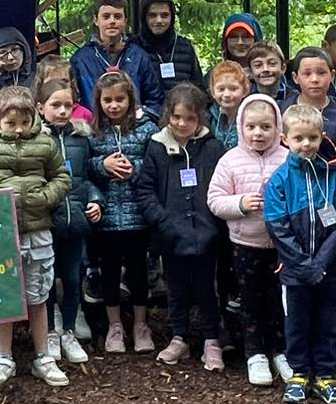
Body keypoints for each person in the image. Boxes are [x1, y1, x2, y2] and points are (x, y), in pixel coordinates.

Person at [0, 85, 72, 388]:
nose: (19, 129)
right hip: (0, 233)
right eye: (11, 123)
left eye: (24, 122)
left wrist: (44, 197)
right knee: (3, 294)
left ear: (33, 117)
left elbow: (62, 177)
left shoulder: (45, 142)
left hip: (38, 230)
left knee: (38, 296)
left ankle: (43, 357)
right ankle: (4, 357)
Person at [264, 104, 336, 404]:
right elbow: (277, 225)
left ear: (322, 137)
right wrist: (303, 264)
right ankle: (299, 374)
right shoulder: (279, 180)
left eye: (312, 138)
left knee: (328, 321)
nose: (306, 144)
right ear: (285, 138)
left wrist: (322, 264)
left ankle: (326, 376)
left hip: (331, 269)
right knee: (297, 322)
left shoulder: (335, 176)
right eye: (299, 138)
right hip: (294, 270)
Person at [134, 84, 226, 370]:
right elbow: (145, 189)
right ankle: (179, 337)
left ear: (200, 118)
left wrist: (212, 224)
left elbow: (223, 184)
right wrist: (162, 220)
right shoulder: (157, 145)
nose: (182, 124)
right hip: (170, 235)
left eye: (189, 118)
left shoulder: (212, 146)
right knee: (175, 288)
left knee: (206, 288)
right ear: (168, 116)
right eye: (176, 117)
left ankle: (212, 340)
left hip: (206, 235)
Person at [207, 94, 290, 387]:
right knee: (251, 301)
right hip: (246, 245)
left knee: (281, 300)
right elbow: (215, 200)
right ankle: (255, 354)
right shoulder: (230, 160)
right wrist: (241, 203)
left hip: (284, 246)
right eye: (252, 127)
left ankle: (282, 351)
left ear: (278, 128)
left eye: (266, 127)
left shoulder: (288, 158)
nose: (258, 133)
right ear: (241, 127)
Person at [87, 70, 158, 354]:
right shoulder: (92, 132)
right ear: (99, 102)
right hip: (105, 218)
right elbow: (84, 171)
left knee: (139, 272)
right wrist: (101, 166)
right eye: (108, 100)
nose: (114, 106)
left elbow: (155, 167)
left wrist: (135, 170)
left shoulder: (146, 130)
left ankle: (141, 325)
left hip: (137, 216)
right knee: (109, 273)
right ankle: (114, 326)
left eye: (120, 99)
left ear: (130, 100)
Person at [38, 78, 103, 363]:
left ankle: (68, 333)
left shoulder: (81, 138)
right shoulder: (36, 141)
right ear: (41, 108)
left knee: (73, 277)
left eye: (68, 105)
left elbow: (88, 176)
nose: (63, 111)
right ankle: (50, 332)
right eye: (56, 105)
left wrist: (96, 200)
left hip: (75, 221)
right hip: (46, 222)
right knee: (48, 280)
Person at [71, 0, 164, 119]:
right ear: (96, 20)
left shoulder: (139, 56)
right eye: (106, 16)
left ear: (125, 21)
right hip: (95, 132)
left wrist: (143, 118)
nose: (112, 21)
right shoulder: (80, 60)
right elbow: (72, 101)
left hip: (134, 130)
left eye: (117, 17)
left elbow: (154, 99)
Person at [136, 0, 205, 91]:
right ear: (144, 17)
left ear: (172, 17)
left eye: (164, 15)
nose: (159, 20)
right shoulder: (135, 47)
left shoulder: (185, 47)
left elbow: (198, 87)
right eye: (152, 15)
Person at [280, 47, 336, 140]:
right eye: (307, 74)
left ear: (332, 76)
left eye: (321, 73)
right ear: (295, 77)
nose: (314, 80)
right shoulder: (283, 109)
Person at [0, 26, 36, 99]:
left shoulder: (37, 77)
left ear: (24, 50)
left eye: (14, 50)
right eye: (3, 52)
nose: (10, 57)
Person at [33, 55, 95, 123]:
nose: (59, 86)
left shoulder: (84, 114)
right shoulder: (32, 115)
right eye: (52, 82)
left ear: (71, 82)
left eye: (64, 81)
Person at [207, 60, 249, 150]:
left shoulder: (250, 117)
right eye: (221, 89)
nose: (227, 94)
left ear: (245, 90)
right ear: (213, 92)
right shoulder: (208, 118)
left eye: (233, 89)